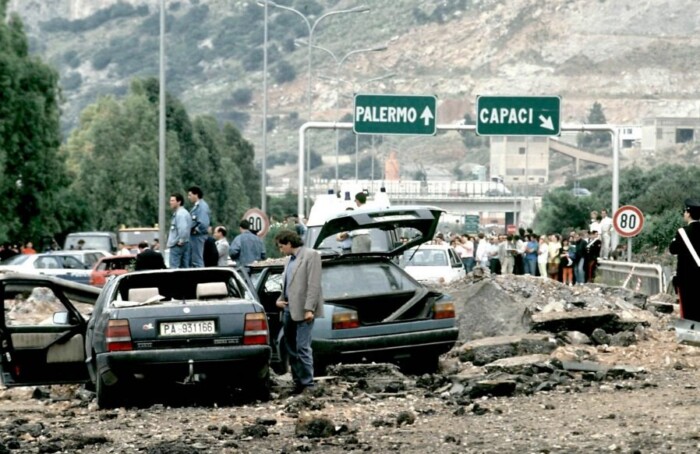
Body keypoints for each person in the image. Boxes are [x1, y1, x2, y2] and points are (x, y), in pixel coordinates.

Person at [275, 229, 324, 394]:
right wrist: (279, 299)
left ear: (289, 243)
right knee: (291, 348)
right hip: (288, 308)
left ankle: (308, 384)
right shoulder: (289, 260)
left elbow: (314, 284)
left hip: (304, 310)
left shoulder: (311, 255)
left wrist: (309, 308)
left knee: (303, 347)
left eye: (281, 246)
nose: (281, 250)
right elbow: (287, 284)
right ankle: (298, 382)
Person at [670, 199, 700, 322]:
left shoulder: (682, 233)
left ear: (688, 213)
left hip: (686, 278)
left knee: (688, 308)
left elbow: (673, 249)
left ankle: (692, 330)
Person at [187, 186, 211, 268]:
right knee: (193, 259)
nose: (188, 197)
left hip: (197, 236)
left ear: (196, 195)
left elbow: (204, 223)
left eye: (190, 195)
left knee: (197, 260)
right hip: (194, 237)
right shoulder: (196, 206)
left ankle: (201, 274)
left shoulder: (202, 207)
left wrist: (196, 230)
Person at [167, 192, 191, 269]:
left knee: (174, 268)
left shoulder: (180, 214)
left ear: (179, 202)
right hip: (185, 244)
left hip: (177, 245)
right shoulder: (185, 213)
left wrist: (181, 240)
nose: (170, 202)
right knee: (184, 267)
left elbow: (183, 228)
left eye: (172, 200)